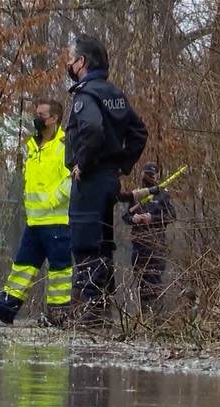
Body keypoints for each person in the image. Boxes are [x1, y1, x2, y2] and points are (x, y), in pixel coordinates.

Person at [64, 34, 150, 327]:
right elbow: (139, 132)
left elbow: (93, 129)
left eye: (71, 58)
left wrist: (82, 163)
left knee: (86, 241)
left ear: (82, 62)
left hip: (90, 181)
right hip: (109, 180)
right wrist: (122, 165)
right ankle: (100, 305)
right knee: (103, 242)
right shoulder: (115, 94)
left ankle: (89, 308)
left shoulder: (86, 95)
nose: (68, 64)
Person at [0, 98, 73, 326]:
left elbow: (71, 179)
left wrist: (53, 200)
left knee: (59, 272)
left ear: (54, 119)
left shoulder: (64, 145)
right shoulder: (32, 146)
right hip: (34, 220)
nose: (37, 119)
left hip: (56, 220)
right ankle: (7, 307)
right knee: (22, 266)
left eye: (41, 115)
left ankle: (58, 315)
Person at [122, 162, 176, 314]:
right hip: (138, 246)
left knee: (155, 282)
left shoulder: (163, 195)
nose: (149, 178)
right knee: (141, 282)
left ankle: (156, 318)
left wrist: (152, 218)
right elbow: (126, 217)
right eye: (147, 175)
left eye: (152, 175)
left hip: (156, 245)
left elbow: (172, 216)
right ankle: (145, 317)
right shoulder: (137, 194)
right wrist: (134, 219)